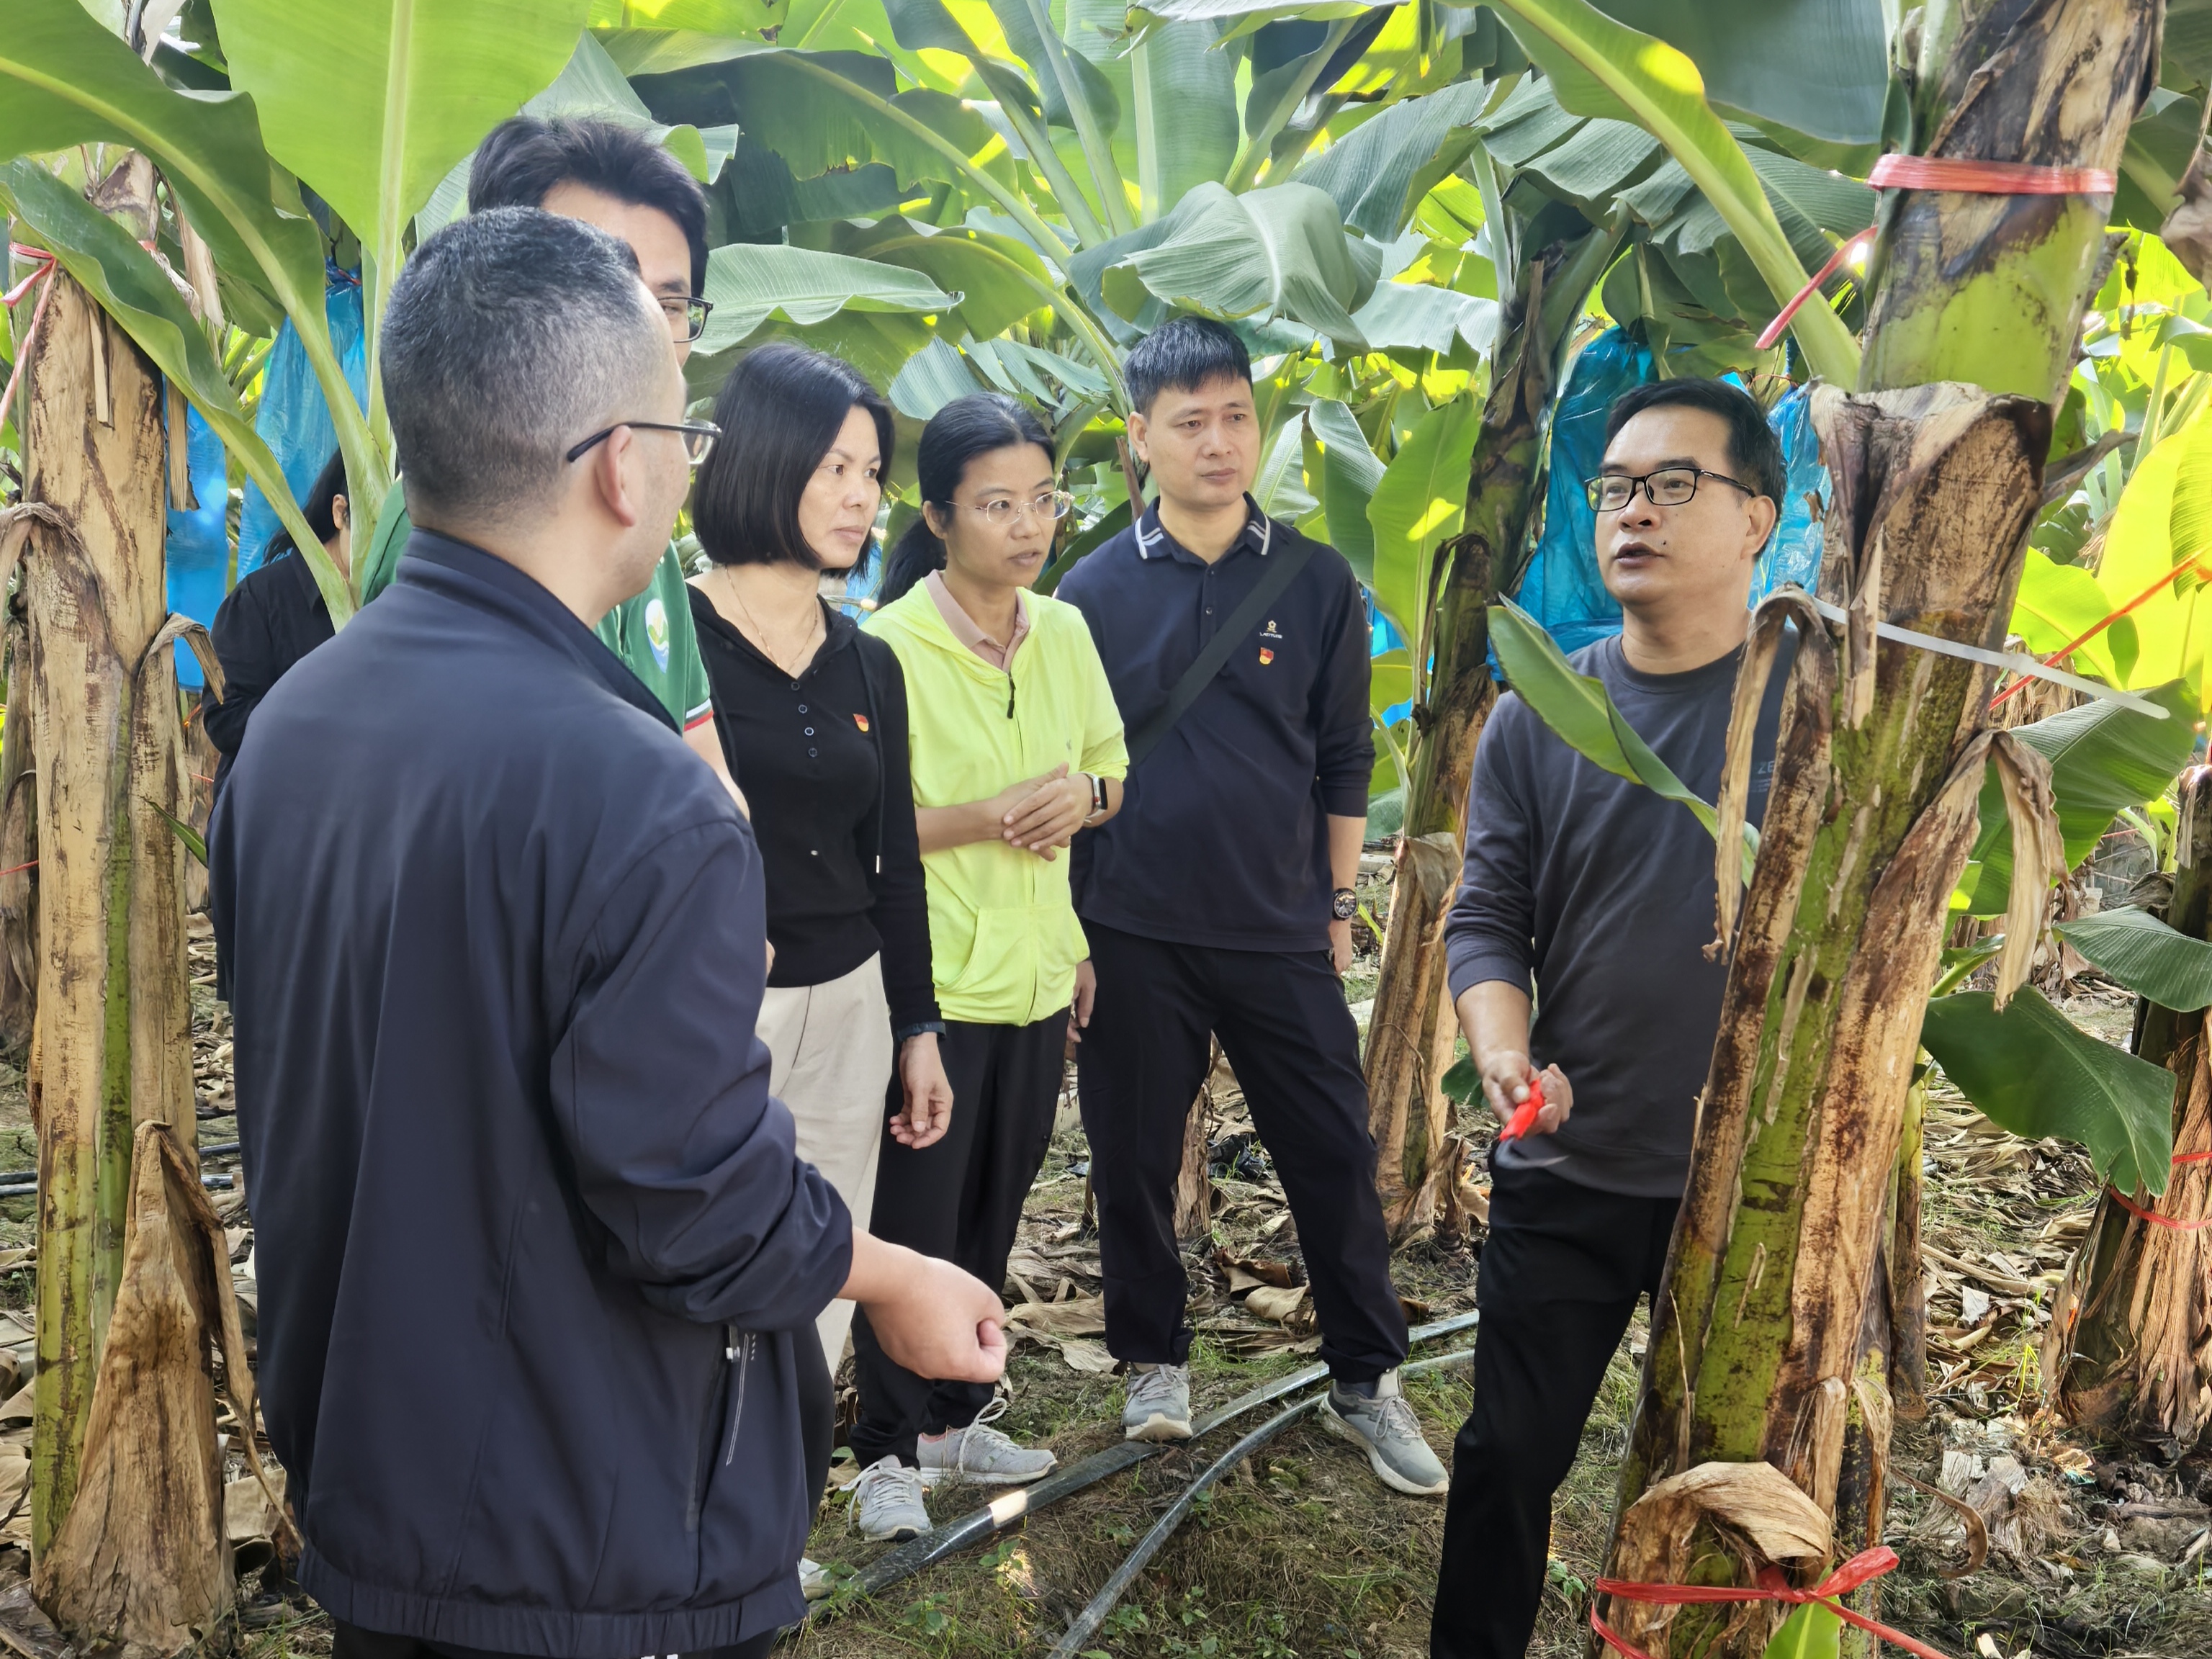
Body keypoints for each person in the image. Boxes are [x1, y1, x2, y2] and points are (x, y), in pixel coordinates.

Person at [209, 208, 1006, 1659]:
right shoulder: (647, 797)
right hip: (588, 1556)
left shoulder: (291, 732)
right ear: (621, 466)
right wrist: (895, 1277)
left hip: (374, 1501)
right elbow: (695, 1203)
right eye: (680, 422)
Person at [1429, 378, 1792, 1659]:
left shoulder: (1820, 711)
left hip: (1761, 1181)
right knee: (1504, 1457)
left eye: (1672, 484)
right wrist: (1503, 1049)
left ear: (1757, 515)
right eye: (1617, 487)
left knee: (1738, 1485)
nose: (1633, 510)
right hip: (1573, 1165)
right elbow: (1487, 918)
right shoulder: (1542, 711)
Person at [1055, 317, 1447, 1498]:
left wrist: (1336, 901)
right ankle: (1151, 1360)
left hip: (1277, 923)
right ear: (1140, 437)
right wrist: (1069, 931)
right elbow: (1070, 761)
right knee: (1129, 1153)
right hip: (1130, 924)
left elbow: (1341, 757)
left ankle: (1366, 1379)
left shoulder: (1317, 580)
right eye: (1189, 422)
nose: (1218, 442)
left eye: (1235, 416)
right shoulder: (1089, 591)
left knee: (1330, 1149)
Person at [842, 392, 1129, 1541]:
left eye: (1044, 500)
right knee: (911, 1222)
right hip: (937, 989)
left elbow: (1110, 778)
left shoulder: (1062, 632)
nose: (1029, 524)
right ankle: (881, 1452)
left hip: (1038, 975)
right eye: (998, 503)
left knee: (998, 1208)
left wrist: (1086, 802)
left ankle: (956, 1421)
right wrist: (986, 815)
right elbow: (865, 830)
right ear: (941, 513)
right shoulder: (884, 648)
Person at [685, 342, 953, 1377]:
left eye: (871, 474)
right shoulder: (670, 638)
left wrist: (917, 1027)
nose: (859, 498)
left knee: (823, 1267)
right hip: (717, 1003)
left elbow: (893, 863)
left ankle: (780, 1517)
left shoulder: (868, 659)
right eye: (834, 468)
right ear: (763, 460)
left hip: (849, 1002)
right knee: (704, 1254)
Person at [354, 115, 735, 801]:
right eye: (603, 286)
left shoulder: (652, 542)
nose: (642, 330)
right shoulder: (455, 521)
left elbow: (706, 765)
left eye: (669, 304)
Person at [200, 447, 349, 799]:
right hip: (273, 821)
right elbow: (224, 718)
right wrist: (320, 718)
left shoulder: (390, 605)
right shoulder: (262, 599)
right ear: (340, 512)